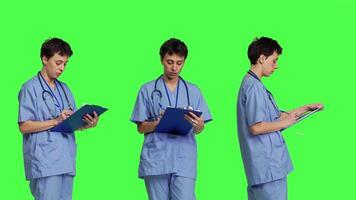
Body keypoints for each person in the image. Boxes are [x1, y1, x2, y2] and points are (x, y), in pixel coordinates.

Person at [236, 37, 323, 200]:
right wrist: (286, 121)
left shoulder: (254, 85)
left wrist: (303, 109)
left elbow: (274, 118)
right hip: (268, 169)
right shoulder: (254, 87)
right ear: (262, 58)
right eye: (274, 60)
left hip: (264, 169)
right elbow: (256, 127)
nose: (276, 66)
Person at [18, 38, 100, 200]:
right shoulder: (30, 88)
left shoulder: (65, 88)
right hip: (45, 161)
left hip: (66, 159)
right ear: (44, 59)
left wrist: (87, 124)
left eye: (65, 64)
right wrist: (55, 121)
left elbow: (70, 122)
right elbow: (24, 126)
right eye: (58, 62)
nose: (62, 68)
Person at [131, 38, 212, 200]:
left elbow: (200, 128)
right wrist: (157, 123)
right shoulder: (147, 89)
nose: (174, 68)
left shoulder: (193, 91)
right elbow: (140, 127)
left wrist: (198, 124)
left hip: (184, 159)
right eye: (170, 62)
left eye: (179, 63)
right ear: (161, 60)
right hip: (156, 159)